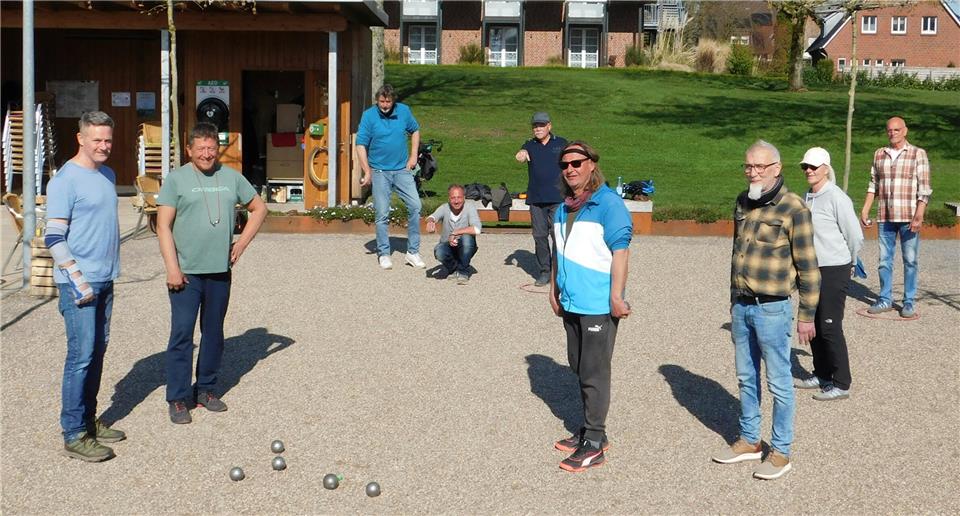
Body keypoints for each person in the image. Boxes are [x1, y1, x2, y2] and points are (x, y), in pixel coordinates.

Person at [712, 140, 820, 481]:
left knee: (779, 382)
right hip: (742, 306)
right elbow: (737, 253)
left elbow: (809, 267)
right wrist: (733, 299)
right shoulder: (742, 202)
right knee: (746, 377)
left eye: (760, 166)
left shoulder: (794, 208)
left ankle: (781, 451)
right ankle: (749, 439)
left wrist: (806, 315)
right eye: (748, 166)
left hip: (773, 309)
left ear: (776, 168)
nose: (753, 172)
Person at [157, 122, 267, 424]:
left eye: (211, 148)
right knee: (182, 333)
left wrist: (241, 244)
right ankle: (178, 397)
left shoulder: (231, 177)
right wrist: (172, 268)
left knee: (214, 332)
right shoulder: (176, 180)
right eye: (200, 148)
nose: (206, 154)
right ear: (189, 150)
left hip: (219, 270)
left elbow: (259, 209)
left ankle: (205, 389)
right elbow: (163, 226)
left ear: (217, 149)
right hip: (186, 273)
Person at [548, 141, 632, 473]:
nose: (570, 169)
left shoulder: (608, 204)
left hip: (598, 303)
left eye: (577, 163)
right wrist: (553, 288)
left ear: (592, 164)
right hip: (571, 301)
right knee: (578, 365)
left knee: (594, 371)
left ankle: (594, 443)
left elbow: (621, 251)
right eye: (565, 164)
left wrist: (616, 296)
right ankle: (590, 429)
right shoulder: (562, 207)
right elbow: (557, 252)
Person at [46, 111, 124, 462]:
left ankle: (89, 421)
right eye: (97, 140)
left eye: (108, 140)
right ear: (80, 139)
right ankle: (74, 432)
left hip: (105, 279)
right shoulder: (65, 180)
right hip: (80, 284)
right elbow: (53, 237)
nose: (104, 146)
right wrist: (77, 279)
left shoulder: (108, 174)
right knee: (80, 356)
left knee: (97, 352)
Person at [794, 147, 863, 402]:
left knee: (829, 326)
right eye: (805, 167)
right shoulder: (808, 196)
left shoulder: (837, 197)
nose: (808, 171)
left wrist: (852, 261)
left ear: (826, 169)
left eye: (813, 166)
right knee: (813, 322)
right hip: (811, 269)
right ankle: (822, 374)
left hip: (834, 268)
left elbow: (854, 235)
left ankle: (841, 382)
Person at [859, 117, 932, 319]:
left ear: (905, 131)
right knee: (884, 260)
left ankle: (909, 301)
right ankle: (885, 299)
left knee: (910, 260)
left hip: (909, 217)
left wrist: (919, 214)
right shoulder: (879, 154)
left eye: (897, 130)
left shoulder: (918, 154)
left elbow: (924, 189)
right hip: (885, 216)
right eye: (890, 130)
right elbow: (873, 185)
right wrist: (865, 209)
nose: (893, 133)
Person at [357, 84, 425, 271]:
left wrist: (413, 156)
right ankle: (384, 253)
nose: (385, 105)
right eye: (381, 101)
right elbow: (361, 144)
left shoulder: (404, 111)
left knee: (415, 206)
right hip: (379, 171)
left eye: (388, 102)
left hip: (402, 169)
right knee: (382, 213)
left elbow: (415, 130)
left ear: (393, 100)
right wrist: (367, 170)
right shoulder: (369, 116)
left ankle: (413, 252)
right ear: (377, 101)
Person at [515, 112, 568, 286]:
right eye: (535, 126)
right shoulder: (529, 145)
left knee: (557, 235)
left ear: (549, 126)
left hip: (558, 198)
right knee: (539, 236)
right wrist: (521, 154)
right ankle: (545, 271)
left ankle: (559, 271)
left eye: (541, 125)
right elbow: (522, 153)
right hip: (536, 199)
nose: (538, 129)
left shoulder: (561, 143)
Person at [426, 184, 482, 284]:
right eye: (453, 198)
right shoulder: (445, 207)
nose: (456, 201)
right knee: (439, 252)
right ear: (449, 198)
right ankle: (454, 269)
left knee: (467, 239)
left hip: (465, 246)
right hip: (447, 245)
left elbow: (477, 229)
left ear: (464, 197)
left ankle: (463, 271)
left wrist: (455, 233)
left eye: (459, 197)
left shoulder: (469, 207)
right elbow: (433, 216)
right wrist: (430, 221)